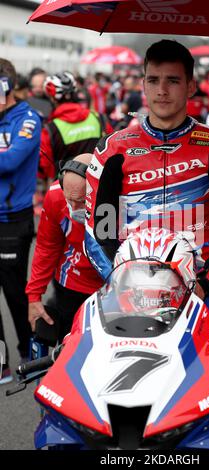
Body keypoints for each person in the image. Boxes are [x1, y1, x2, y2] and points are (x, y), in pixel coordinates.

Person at [85, 39, 209, 403]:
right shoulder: (113, 151)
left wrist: (202, 284)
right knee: (91, 389)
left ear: (191, 85)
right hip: (127, 294)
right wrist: (124, 283)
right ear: (142, 85)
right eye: (153, 80)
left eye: (172, 80)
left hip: (201, 291)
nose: (162, 90)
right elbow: (97, 234)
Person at [26, 154, 103, 343]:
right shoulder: (55, 195)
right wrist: (34, 296)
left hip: (114, 286)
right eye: (69, 199)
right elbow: (46, 247)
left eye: (81, 201)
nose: (73, 208)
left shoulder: (124, 197)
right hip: (71, 285)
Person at [0, 58, 41, 385]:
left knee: (15, 294)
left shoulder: (27, 118)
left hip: (13, 220)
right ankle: (1, 363)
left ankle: (29, 352)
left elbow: (11, 160)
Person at [39, 71, 108, 182]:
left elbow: (46, 168)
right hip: (97, 185)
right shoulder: (98, 118)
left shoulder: (50, 129)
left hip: (65, 190)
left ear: (52, 98)